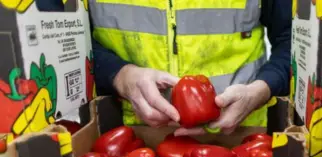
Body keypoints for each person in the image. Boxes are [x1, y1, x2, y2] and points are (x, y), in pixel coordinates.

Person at [91, 0, 291, 136]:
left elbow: (295, 38)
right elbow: (66, 40)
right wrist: (119, 74)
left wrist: (262, 88)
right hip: (119, 136)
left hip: (245, 134)